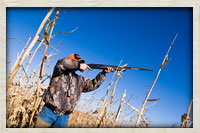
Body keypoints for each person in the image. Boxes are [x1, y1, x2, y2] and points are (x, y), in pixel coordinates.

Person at [35, 53, 114, 128]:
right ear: (71, 61)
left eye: (80, 62)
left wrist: (103, 73)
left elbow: (93, 85)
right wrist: (78, 65)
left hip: (64, 118)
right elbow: (62, 62)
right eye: (77, 62)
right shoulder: (59, 72)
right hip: (48, 112)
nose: (80, 64)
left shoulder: (80, 79)